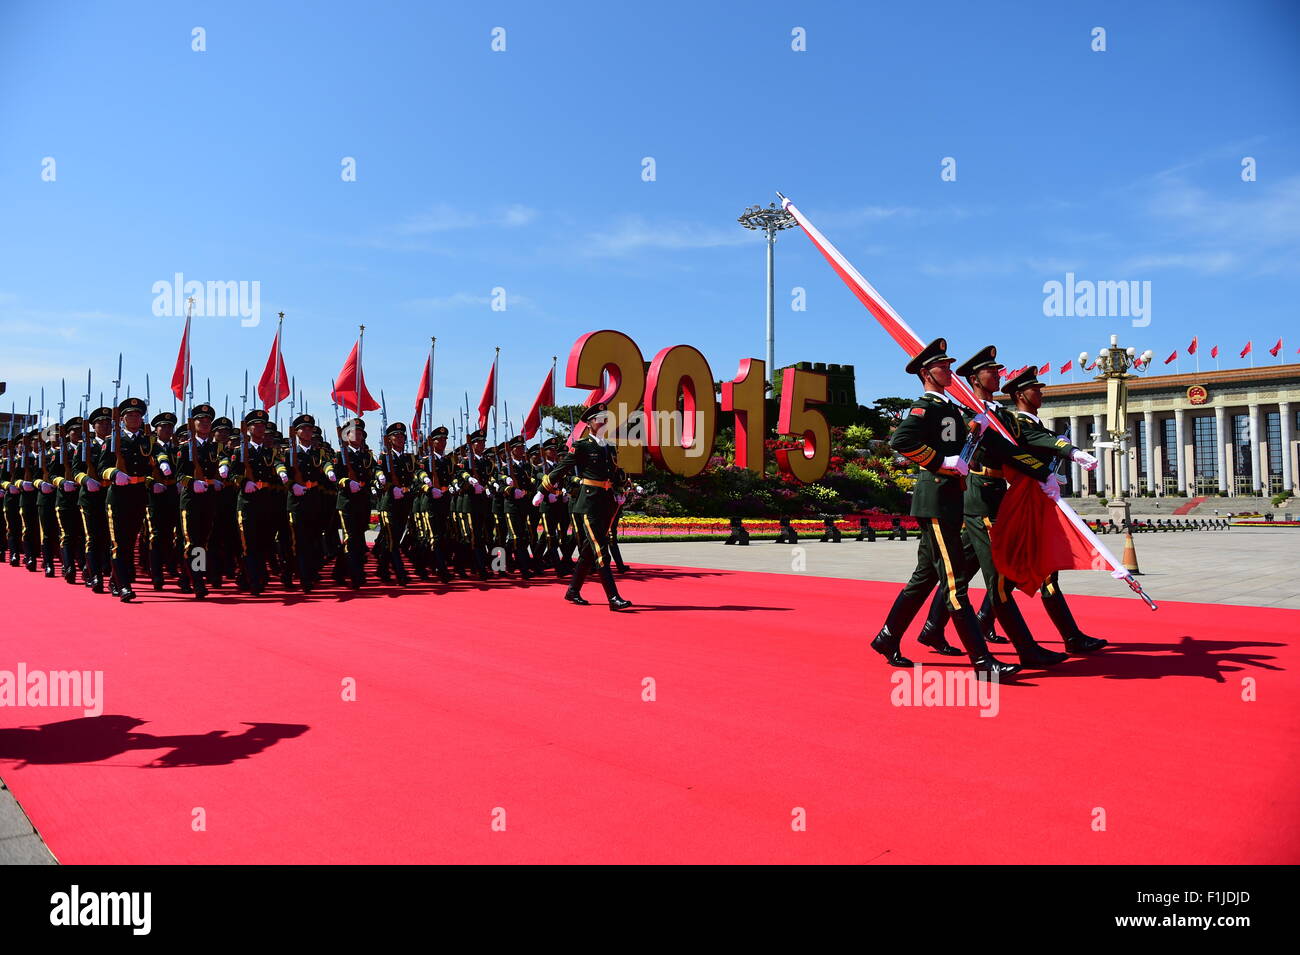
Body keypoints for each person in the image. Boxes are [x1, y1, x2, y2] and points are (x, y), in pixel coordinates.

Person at [911, 346, 1072, 667]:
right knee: (992, 576)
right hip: (977, 497)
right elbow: (964, 449)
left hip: (994, 496)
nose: (999, 375)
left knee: (957, 572)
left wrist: (1048, 469)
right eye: (992, 372)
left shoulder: (1000, 415)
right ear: (975, 378)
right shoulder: (966, 413)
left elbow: (1014, 449)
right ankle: (1019, 649)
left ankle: (932, 628)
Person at [869, 338, 1020, 676]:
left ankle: (888, 637)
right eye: (943, 366)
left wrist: (973, 432)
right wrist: (941, 461)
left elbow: (962, 441)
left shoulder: (949, 407)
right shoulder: (925, 406)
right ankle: (982, 662)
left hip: (950, 498)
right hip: (936, 498)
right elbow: (901, 440)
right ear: (926, 372)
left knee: (924, 577)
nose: (949, 369)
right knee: (955, 584)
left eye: (949, 365)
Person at [1004, 368, 1108, 653]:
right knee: (1021, 573)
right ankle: (1071, 637)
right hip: (1024, 505)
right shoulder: (1019, 424)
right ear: (1019, 395)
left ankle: (976, 622)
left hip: (1038, 503)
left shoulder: (1036, 424)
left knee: (1016, 573)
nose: (1040, 393)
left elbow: (1046, 442)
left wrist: (1052, 474)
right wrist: (1072, 451)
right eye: (1034, 389)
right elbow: (1045, 442)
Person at [538, 403, 632, 611]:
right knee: (600, 548)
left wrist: (620, 489)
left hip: (606, 501)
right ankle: (613, 598)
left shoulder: (609, 446)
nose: (604, 422)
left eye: (606, 419)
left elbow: (614, 472)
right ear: (590, 423)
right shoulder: (583, 445)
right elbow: (563, 468)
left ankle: (573, 590)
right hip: (588, 503)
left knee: (589, 551)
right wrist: (543, 490)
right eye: (600, 419)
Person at [99, 397, 154, 602]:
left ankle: (115, 579)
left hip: (138, 494)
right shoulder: (112, 440)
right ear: (122, 419)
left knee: (130, 542)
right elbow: (102, 468)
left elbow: (151, 467)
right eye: (130, 415)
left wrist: (153, 480)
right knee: (119, 543)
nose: (134, 418)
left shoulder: (148, 440)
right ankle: (124, 585)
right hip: (118, 497)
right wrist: (114, 474)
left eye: (137, 415)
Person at [276, 413, 338, 594]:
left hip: (314, 501)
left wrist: (330, 471)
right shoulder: (288, 452)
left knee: (313, 541)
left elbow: (326, 463)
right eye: (305, 428)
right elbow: (280, 469)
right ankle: (302, 577)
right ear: (296, 432)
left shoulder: (318, 452)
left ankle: (304, 572)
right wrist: (290, 484)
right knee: (298, 542)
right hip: (295, 502)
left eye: (311, 428)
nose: (308, 431)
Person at [146, 411, 180, 590]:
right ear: (156, 430)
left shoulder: (178, 449)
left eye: (170, 427)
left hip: (174, 493)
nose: (167, 429)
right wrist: (152, 484)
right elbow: (141, 471)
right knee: (157, 536)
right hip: (155, 495)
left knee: (177, 535)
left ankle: (177, 570)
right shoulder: (147, 448)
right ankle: (157, 574)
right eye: (163, 426)